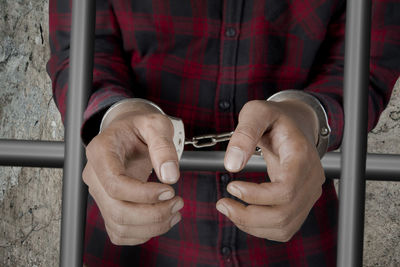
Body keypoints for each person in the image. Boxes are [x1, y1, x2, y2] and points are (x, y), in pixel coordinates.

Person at [47, 0, 400, 266]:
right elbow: (77, 53)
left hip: (297, 238)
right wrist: (115, 115)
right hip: (124, 241)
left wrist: (306, 116)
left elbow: (369, 60)